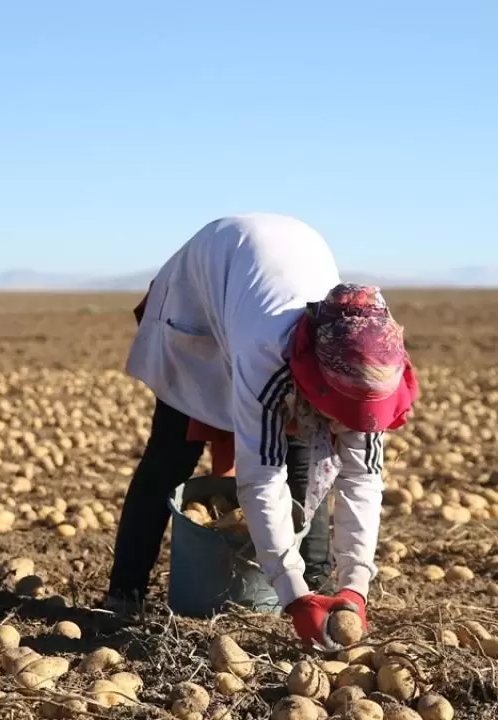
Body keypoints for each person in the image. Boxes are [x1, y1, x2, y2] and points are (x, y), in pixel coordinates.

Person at [104, 212, 418, 648]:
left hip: (268, 271)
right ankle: (124, 593)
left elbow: (362, 477)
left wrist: (356, 588)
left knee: (308, 463)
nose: (344, 423)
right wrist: (292, 597)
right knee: (173, 453)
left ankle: (325, 594)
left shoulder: (368, 361)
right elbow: (262, 476)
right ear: (317, 383)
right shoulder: (268, 355)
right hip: (198, 297)